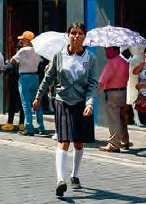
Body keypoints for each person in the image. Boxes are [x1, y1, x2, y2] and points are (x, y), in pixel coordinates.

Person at [33, 21, 98, 198]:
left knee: (78, 142)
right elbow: (48, 78)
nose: (76, 36)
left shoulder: (90, 58)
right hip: (62, 101)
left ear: (84, 37)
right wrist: (38, 97)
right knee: (63, 140)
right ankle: (60, 180)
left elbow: (93, 84)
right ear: (68, 36)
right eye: (73, 33)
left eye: (80, 33)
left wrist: (90, 103)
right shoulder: (59, 56)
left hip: (81, 104)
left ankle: (74, 175)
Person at [97, 46, 129, 152]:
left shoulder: (111, 62)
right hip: (123, 91)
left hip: (113, 93)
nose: (106, 51)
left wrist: (94, 91)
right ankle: (124, 141)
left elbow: (103, 79)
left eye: (107, 49)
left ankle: (114, 144)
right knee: (122, 118)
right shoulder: (124, 61)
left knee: (114, 119)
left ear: (115, 50)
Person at [11, 31, 43, 135]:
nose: (21, 41)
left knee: (26, 104)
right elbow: (40, 61)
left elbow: (13, 61)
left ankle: (29, 127)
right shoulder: (38, 51)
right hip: (35, 77)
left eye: (22, 39)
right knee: (36, 102)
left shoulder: (22, 51)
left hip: (24, 77)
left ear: (27, 40)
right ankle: (41, 127)